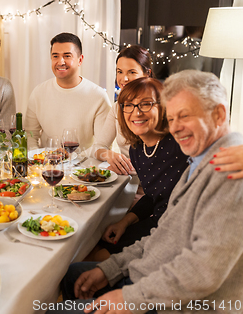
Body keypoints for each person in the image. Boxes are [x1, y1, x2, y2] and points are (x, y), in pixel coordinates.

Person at [56, 70, 243, 314]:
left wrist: (130, 298)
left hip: (178, 303)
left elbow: (203, 271)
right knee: (71, 275)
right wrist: (111, 269)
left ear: (218, 114)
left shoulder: (228, 170)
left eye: (184, 116)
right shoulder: (196, 163)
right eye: (172, 118)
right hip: (150, 275)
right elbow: (164, 233)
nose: (175, 128)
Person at [89, 77, 188, 262]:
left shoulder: (181, 143)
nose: (136, 112)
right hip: (158, 220)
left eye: (146, 104)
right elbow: (153, 196)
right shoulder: (137, 150)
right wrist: (124, 222)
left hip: (179, 231)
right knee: (95, 244)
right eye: (128, 105)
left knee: (95, 259)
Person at [25, 32, 111, 151]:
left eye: (67, 56)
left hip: (83, 166)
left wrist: (75, 159)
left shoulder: (98, 96)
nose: (60, 62)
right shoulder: (38, 93)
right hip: (46, 165)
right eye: (55, 56)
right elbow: (30, 135)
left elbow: (103, 144)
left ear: (80, 60)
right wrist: (37, 159)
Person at [92, 45, 153, 175]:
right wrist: (109, 155)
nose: (124, 79)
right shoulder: (117, 107)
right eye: (120, 72)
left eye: (132, 72)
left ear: (147, 73)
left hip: (153, 182)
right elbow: (98, 147)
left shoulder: (157, 108)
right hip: (127, 180)